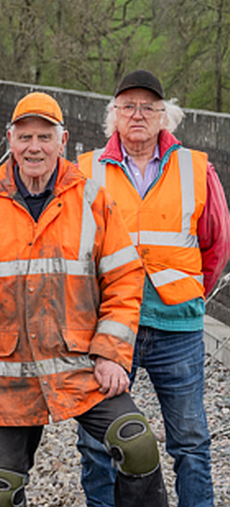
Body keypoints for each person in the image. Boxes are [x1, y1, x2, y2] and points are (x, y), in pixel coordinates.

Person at [0, 92, 169, 507]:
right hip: (5, 379)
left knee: (138, 446)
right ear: (10, 139)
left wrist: (112, 352)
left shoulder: (92, 200)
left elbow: (125, 277)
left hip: (79, 366)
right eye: (25, 137)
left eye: (45, 136)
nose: (34, 147)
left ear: (64, 141)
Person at [76, 70, 230, 507]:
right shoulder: (85, 170)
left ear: (166, 116)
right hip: (106, 325)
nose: (138, 115)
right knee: (96, 440)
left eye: (148, 107)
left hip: (176, 325)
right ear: (113, 116)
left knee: (190, 441)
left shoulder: (196, 167)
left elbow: (216, 244)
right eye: (128, 106)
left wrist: (189, 293)